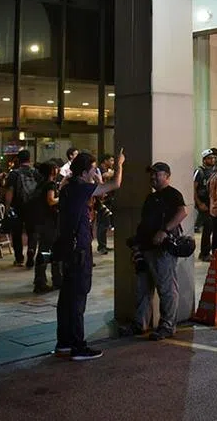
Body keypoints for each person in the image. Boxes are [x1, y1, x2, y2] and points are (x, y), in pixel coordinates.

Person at [58, 151, 124, 356]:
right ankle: (78, 346)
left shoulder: (67, 188)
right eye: (93, 169)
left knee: (67, 297)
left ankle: (64, 342)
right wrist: (120, 165)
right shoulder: (81, 188)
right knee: (79, 297)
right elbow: (114, 185)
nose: (96, 172)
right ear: (85, 171)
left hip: (67, 247)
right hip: (80, 250)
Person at [120, 160, 187, 342]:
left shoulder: (173, 195)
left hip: (162, 250)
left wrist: (164, 231)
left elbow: (182, 213)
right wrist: (137, 244)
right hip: (146, 248)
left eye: (157, 174)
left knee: (166, 288)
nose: (153, 177)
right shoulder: (150, 198)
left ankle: (167, 326)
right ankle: (140, 324)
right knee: (143, 289)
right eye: (152, 174)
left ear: (167, 176)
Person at [3, 150, 39, 267]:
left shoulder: (14, 174)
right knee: (32, 232)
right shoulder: (36, 172)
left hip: (17, 207)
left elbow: (10, 191)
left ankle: (19, 258)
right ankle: (31, 250)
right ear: (30, 159)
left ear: (18, 160)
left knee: (17, 233)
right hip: (33, 206)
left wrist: (7, 207)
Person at [32, 161, 63, 294]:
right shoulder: (50, 184)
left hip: (41, 220)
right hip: (49, 221)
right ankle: (45, 281)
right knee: (49, 249)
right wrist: (61, 198)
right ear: (52, 171)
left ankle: (41, 279)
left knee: (44, 249)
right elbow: (50, 200)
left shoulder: (40, 183)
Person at [193, 149, 216, 262]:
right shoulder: (199, 171)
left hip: (211, 203)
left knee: (210, 228)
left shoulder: (212, 171)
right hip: (204, 204)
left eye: (213, 158)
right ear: (204, 160)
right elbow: (193, 188)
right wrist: (199, 203)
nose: (212, 160)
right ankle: (204, 253)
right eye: (209, 158)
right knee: (207, 228)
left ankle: (207, 251)